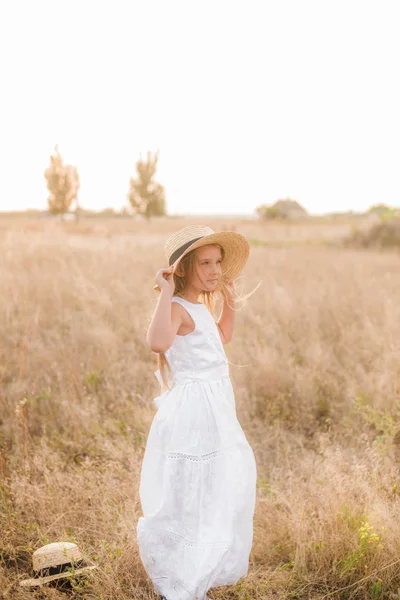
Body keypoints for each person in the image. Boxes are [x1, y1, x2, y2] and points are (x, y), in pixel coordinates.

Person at [137, 225, 257, 600]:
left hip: (215, 406)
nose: (215, 271)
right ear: (185, 268)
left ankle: (204, 556)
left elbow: (221, 337)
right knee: (190, 482)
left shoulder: (201, 307)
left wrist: (231, 301)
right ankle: (180, 566)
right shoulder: (176, 308)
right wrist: (167, 293)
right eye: (205, 263)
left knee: (218, 479)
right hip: (194, 410)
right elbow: (157, 342)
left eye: (218, 263)